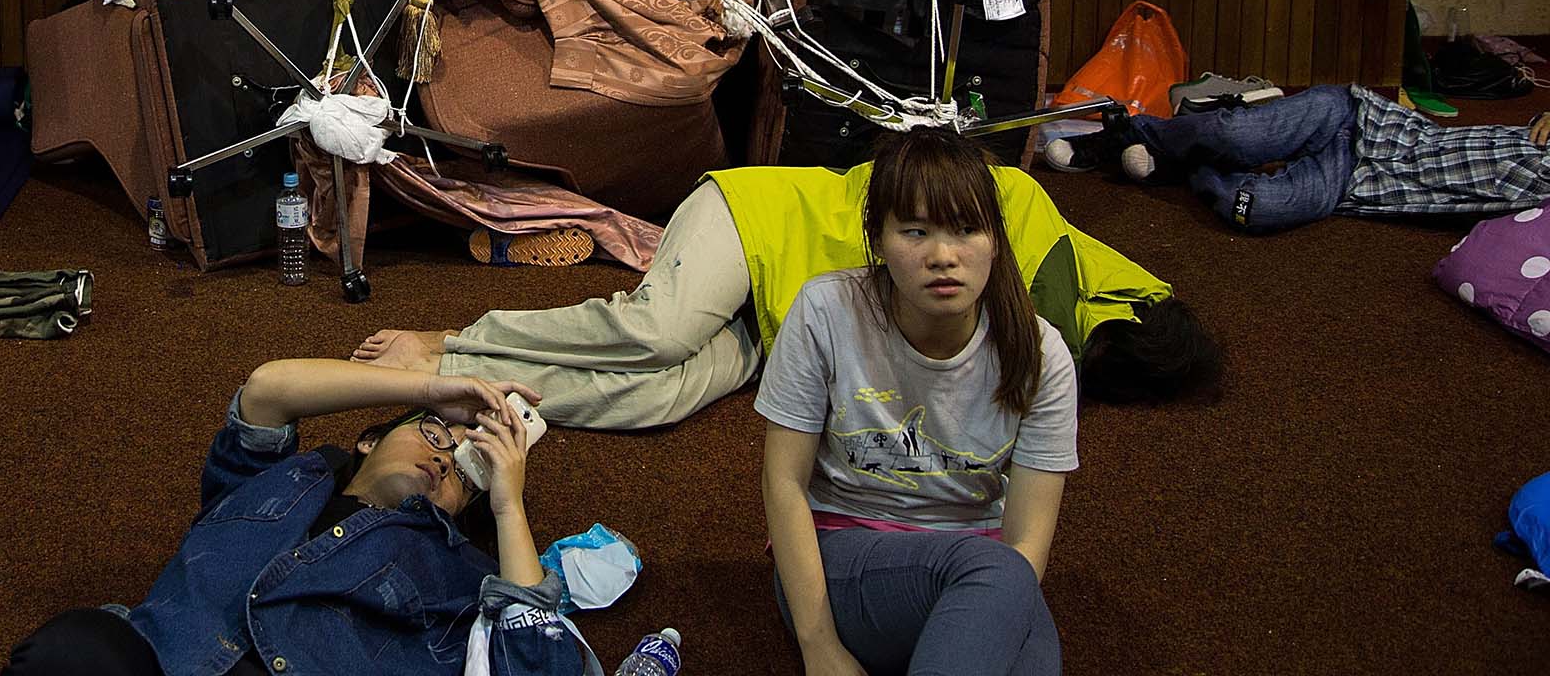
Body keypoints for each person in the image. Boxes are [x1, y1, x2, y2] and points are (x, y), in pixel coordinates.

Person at [354, 145, 1218, 430]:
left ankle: (462, 392)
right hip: (758, 218)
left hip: (786, 322)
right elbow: (1152, 302)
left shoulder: (1042, 342)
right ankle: (452, 341)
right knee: (659, 331)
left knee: (667, 397)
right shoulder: (1016, 209)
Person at [0, 359, 584, 676]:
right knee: (77, 647)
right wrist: (433, 386)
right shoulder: (279, 477)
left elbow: (541, 666)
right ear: (368, 440)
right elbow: (266, 390)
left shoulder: (456, 569)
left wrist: (508, 503)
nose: (442, 458)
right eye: (432, 433)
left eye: (463, 472)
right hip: (161, 658)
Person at [760, 129, 1074, 676]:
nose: (943, 256)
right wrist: (820, 646)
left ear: (996, 240)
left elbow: (1027, 539)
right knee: (997, 574)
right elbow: (784, 481)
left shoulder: (1040, 353)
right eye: (915, 231)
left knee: (1029, 648)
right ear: (877, 240)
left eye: (966, 229)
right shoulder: (826, 311)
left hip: (982, 569)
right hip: (839, 556)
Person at [1059, 85, 1550, 233]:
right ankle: (1125, 133)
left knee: (1252, 208)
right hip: (1365, 121)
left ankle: (1179, 163)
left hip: (1353, 183)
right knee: (1241, 138)